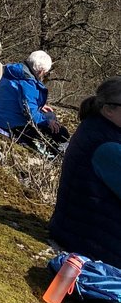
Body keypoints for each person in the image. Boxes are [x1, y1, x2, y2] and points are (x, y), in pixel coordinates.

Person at [50, 78, 121, 267]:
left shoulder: (95, 127)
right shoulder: (108, 147)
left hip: (76, 229)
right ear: (109, 110)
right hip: (94, 242)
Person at [0, 51, 69, 152]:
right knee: (62, 133)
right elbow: (29, 113)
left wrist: (39, 107)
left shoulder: (13, 72)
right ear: (40, 71)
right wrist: (47, 121)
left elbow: (19, 100)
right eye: (45, 73)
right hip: (12, 124)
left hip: (0, 116)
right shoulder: (28, 83)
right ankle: (55, 153)